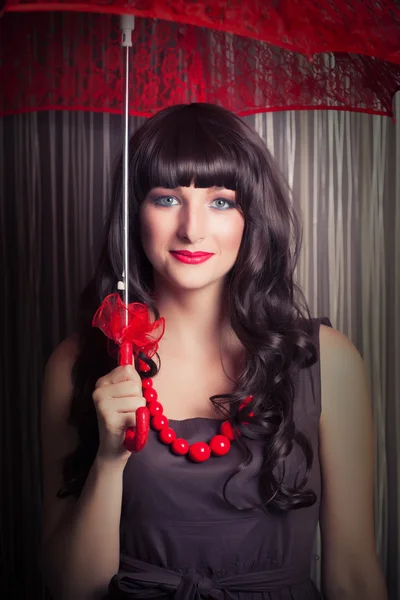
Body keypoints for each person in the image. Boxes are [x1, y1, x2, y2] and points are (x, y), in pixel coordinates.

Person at [39, 103, 387, 600]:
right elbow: (71, 589)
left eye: (221, 201)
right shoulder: (77, 366)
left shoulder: (326, 362)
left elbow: (354, 573)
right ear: (134, 212)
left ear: (253, 217)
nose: (192, 229)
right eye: (166, 199)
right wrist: (109, 462)